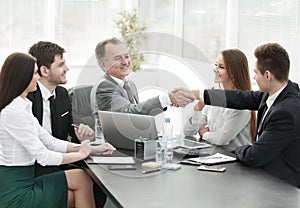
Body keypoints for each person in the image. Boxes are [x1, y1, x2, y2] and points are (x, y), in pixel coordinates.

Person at [0, 52, 116, 208]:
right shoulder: (13, 112)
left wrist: (93, 149)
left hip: (25, 181)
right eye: (35, 73)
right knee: (78, 192)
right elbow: (43, 156)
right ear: (22, 77)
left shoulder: (23, 105)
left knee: (81, 177)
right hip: (15, 191)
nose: (38, 77)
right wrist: (81, 154)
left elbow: (50, 141)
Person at [192, 43, 300, 188]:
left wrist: (234, 150)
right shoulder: (274, 93)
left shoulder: (285, 111)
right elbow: (239, 97)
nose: (254, 78)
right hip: (264, 178)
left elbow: (254, 156)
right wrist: (196, 94)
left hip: (282, 187)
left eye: (256, 73)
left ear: (267, 75)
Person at [27, 41, 110, 207]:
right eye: (61, 65)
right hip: (35, 165)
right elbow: (40, 146)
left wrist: (81, 135)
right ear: (44, 71)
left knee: (99, 180)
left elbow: (68, 130)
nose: (67, 69)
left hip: (58, 159)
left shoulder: (62, 94)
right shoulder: (27, 98)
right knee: (83, 179)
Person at [94, 37, 195, 115]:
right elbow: (129, 114)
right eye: (118, 58)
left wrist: (168, 101)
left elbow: (139, 114)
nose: (125, 62)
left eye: (127, 56)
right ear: (103, 64)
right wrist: (167, 99)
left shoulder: (129, 84)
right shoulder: (104, 87)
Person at [183, 49, 256, 151]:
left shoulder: (242, 104)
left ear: (234, 73)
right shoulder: (214, 99)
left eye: (221, 67)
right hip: (215, 157)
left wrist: (205, 134)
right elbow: (188, 131)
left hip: (235, 161)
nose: (215, 69)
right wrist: (198, 106)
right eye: (216, 65)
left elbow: (222, 139)